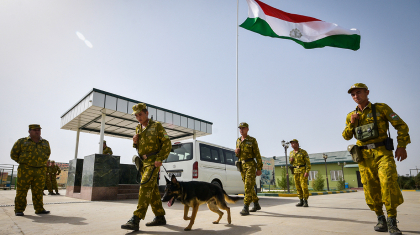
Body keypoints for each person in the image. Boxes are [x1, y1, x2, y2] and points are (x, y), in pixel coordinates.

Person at [342, 83, 410, 235]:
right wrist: (352, 124)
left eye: (358, 93)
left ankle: (392, 221)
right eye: (353, 94)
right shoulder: (350, 115)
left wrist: (402, 146)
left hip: (382, 153)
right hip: (364, 157)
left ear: (367, 92)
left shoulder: (381, 108)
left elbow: (401, 125)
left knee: (388, 183)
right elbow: (346, 136)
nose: (355, 96)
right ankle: (380, 219)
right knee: (370, 189)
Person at [121, 103, 171, 231]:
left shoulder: (156, 126)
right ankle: (160, 216)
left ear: (147, 113)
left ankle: (136, 219)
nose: (138, 118)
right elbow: (140, 147)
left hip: (153, 161)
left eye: (140, 114)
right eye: (136, 116)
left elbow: (167, 143)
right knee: (153, 190)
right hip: (143, 163)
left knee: (144, 186)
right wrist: (135, 142)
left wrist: (160, 158)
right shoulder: (138, 128)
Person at [10, 124, 51, 216]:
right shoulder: (22, 141)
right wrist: (24, 162)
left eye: (39, 130)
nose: (37, 131)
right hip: (25, 170)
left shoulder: (45, 143)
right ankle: (19, 209)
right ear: (29, 131)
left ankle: (39, 209)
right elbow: (13, 154)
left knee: (38, 191)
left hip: (40, 170)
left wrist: (40, 163)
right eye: (35, 130)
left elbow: (47, 154)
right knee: (22, 190)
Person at [235, 122, 262, 216]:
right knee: (249, 187)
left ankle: (246, 207)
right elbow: (238, 155)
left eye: (243, 128)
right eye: (240, 128)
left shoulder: (252, 140)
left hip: (250, 165)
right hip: (242, 166)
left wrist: (259, 168)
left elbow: (258, 155)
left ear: (247, 129)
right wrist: (236, 152)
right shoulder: (238, 140)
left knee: (247, 186)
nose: (241, 130)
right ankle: (256, 204)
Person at [289, 139, 311, 207]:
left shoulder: (303, 152)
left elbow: (308, 163)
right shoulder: (291, 153)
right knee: (298, 186)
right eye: (291, 144)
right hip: (295, 171)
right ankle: (300, 200)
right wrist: (291, 160)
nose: (292, 145)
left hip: (302, 171)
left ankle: (305, 201)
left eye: (293, 143)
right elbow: (290, 163)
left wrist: (307, 171)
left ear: (297, 144)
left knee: (304, 186)